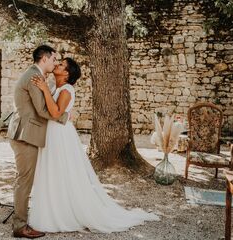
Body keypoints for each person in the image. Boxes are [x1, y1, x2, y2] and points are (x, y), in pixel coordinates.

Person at [29, 57, 159, 233]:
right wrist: (46, 89)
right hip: (52, 133)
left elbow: (55, 112)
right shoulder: (55, 87)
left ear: (66, 74)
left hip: (60, 135)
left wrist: (43, 89)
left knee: (62, 170)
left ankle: (66, 213)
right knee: (53, 171)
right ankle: (54, 208)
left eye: (61, 65)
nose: (57, 65)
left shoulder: (66, 90)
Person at [7, 45, 69, 238]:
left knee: (24, 179)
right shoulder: (35, 78)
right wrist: (63, 116)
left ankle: (21, 219)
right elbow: (42, 111)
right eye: (53, 59)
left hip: (26, 133)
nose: (55, 63)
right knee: (24, 181)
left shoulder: (37, 76)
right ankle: (20, 226)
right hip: (25, 134)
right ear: (44, 59)